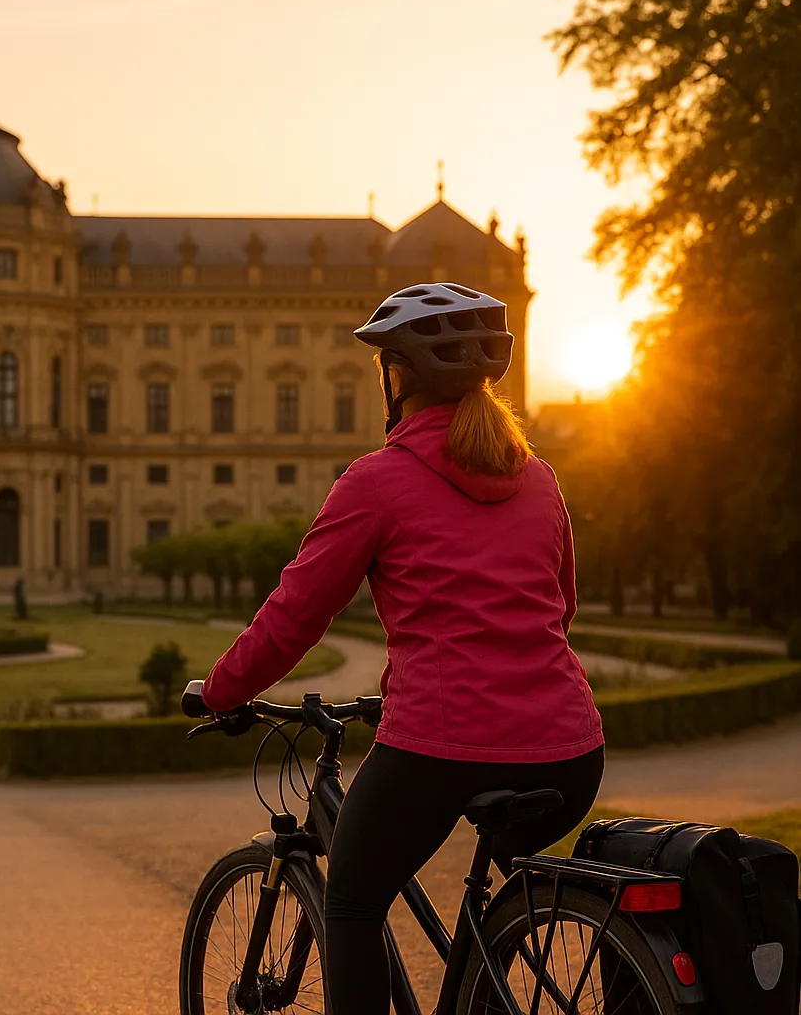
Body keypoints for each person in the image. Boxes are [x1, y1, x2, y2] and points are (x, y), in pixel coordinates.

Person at [199, 283, 604, 1015]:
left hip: (443, 749)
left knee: (353, 901)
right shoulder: (539, 479)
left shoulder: (376, 481)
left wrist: (221, 689)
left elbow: (294, 617)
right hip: (571, 754)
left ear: (400, 377)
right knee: (497, 899)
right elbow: (559, 610)